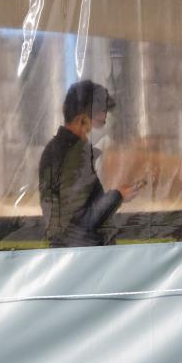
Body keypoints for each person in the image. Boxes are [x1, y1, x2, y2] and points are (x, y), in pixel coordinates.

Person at [38, 80, 141, 248]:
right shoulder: (73, 155)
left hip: (76, 255)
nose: (105, 116)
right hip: (83, 257)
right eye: (101, 113)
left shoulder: (62, 150)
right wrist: (118, 195)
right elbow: (84, 220)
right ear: (83, 117)